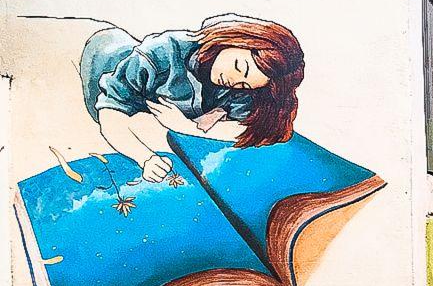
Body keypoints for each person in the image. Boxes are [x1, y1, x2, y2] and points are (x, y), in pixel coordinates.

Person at [80, 14, 304, 182]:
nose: (233, 81)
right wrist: (145, 158)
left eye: (244, 84)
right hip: (103, 51)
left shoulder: (241, 86)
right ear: (235, 41)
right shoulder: (162, 52)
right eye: (238, 66)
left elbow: (249, 129)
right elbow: (109, 113)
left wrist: (186, 126)